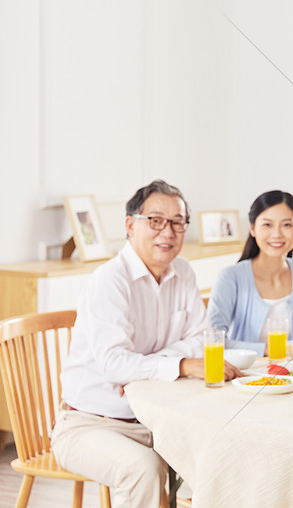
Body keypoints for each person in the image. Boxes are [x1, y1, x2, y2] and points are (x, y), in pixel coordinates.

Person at [52, 180, 242, 508]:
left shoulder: (183, 272)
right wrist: (179, 365)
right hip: (90, 424)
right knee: (144, 470)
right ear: (130, 225)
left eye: (177, 222)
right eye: (155, 221)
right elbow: (114, 365)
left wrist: (147, 368)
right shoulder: (109, 281)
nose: (167, 232)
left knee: (228, 453)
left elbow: (199, 338)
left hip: (157, 420)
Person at [208, 190, 293, 359]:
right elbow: (214, 339)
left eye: (287, 225)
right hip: (243, 374)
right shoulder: (230, 277)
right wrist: (271, 349)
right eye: (267, 225)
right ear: (252, 229)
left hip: (292, 373)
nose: (277, 234)